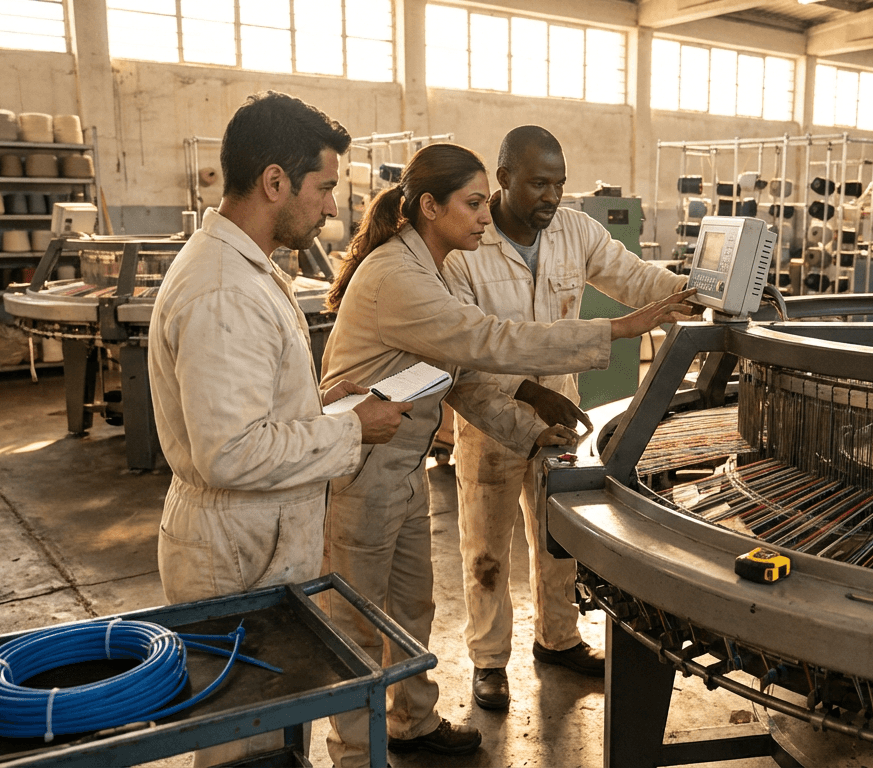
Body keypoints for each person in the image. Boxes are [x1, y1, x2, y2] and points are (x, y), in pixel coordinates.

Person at [320, 142, 694, 767]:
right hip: (365, 464)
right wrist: (623, 328)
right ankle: (357, 755)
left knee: (413, 603)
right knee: (364, 617)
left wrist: (528, 427)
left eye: (559, 183)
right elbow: (485, 341)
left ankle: (413, 721)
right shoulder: (402, 275)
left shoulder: (440, 259)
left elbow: (461, 370)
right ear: (433, 205)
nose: (484, 217)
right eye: (473, 205)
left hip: (405, 460)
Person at [147, 91, 410, 766]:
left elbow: (246, 415)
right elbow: (232, 451)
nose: (329, 206)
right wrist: (353, 432)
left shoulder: (241, 267)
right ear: (274, 182)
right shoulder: (224, 290)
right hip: (234, 549)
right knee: (245, 747)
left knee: (268, 734)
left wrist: (324, 406)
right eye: (322, 187)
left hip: (254, 539)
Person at [441, 125, 690, 710]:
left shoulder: (576, 231)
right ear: (501, 180)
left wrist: (703, 293)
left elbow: (636, 279)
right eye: (537, 183)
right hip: (492, 422)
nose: (550, 197)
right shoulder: (465, 250)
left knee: (559, 541)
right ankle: (488, 659)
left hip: (563, 416)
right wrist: (525, 392)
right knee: (486, 551)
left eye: (558, 184)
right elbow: (463, 350)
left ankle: (557, 639)